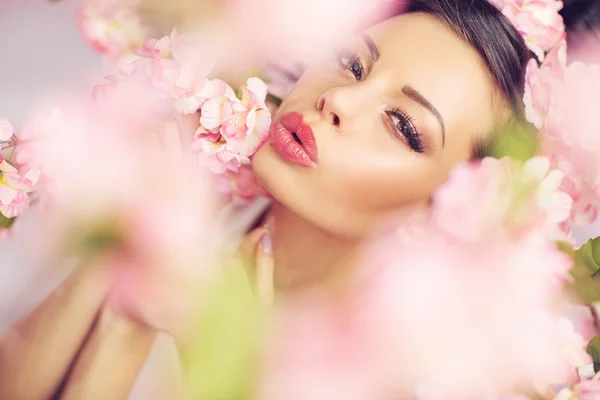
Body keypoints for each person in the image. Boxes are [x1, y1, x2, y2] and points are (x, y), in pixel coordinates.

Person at [0, 0, 578, 398]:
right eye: (354, 63)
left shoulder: (384, 374)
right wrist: (126, 254)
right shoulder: (206, 214)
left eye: (402, 125)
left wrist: (141, 331)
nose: (341, 102)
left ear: (451, 209)